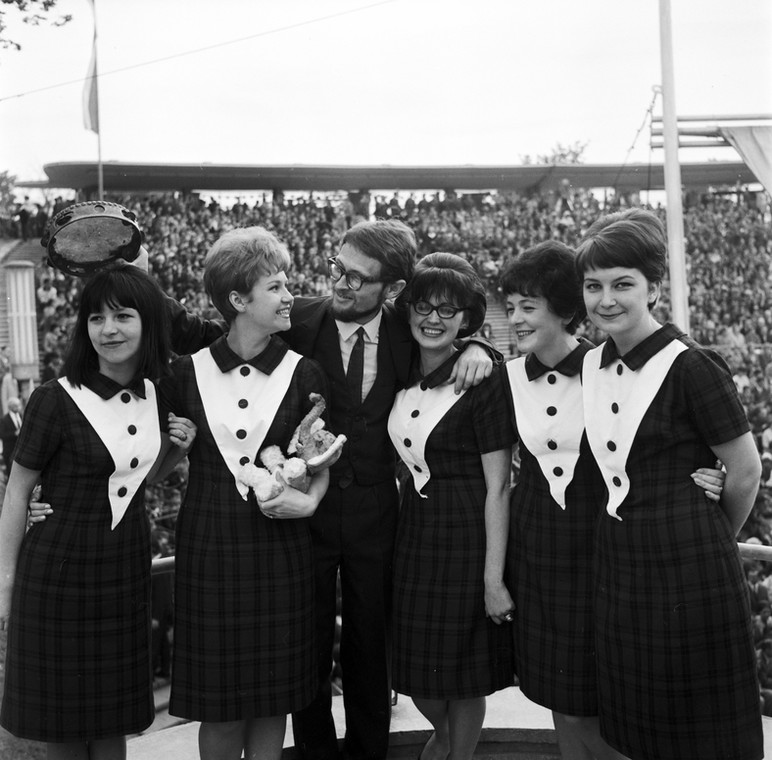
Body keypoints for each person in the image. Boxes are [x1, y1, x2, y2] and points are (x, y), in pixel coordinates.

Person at [500, 241, 724, 760]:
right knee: (563, 697)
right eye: (509, 307)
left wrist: (709, 488)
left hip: (609, 551)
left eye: (527, 306)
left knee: (612, 703)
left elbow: (674, 435)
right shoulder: (511, 373)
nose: (514, 318)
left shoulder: (622, 365)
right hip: (542, 554)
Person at [283, 221, 495, 760]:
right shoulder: (300, 318)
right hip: (305, 508)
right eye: (338, 268)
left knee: (370, 644)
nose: (342, 284)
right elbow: (213, 327)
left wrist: (478, 345)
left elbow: (450, 319)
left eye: (359, 277)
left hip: (378, 512)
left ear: (393, 290)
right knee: (305, 643)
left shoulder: (407, 327)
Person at [577, 208, 763, 760]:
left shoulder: (694, 366)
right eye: (593, 286)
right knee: (641, 727)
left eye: (622, 285)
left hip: (689, 566)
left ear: (653, 288)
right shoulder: (592, 363)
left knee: (700, 733)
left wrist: (709, 531)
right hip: (623, 563)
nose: (605, 299)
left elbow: (746, 469)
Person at [0, 265, 196, 760]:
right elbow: (19, 489)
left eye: (123, 316)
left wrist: (179, 450)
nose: (108, 329)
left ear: (149, 323)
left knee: (114, 724)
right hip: (58, 572)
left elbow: (145, 479)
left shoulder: (160, 392)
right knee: (64, 729)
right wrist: (6, 581)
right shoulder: (53, 397)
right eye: (96, 318)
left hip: (124, 569)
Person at [159, 226, 331, 760]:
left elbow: (323, 456)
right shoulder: (184, 374)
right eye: (276, 287)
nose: (289, 297)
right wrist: (175, 449)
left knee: (271, 702)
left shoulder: (305, 373)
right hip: (209, 547)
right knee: (221, 710)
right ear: (238, 300)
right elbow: (156, 468)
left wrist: (314, 494)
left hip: (282, 551)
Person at [386, 252, 515, 760]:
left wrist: (492, 578)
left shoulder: (483, 381)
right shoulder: (399, 369)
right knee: (417, 674)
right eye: (423, 306)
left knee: (463, 675)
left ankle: (453, 755)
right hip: (413, 534)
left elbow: (498, 486)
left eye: (448, 310)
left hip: (469, 534)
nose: (433, 319)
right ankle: (446, 744)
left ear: (467, 319)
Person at [0, 396, 23, 475]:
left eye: (18, 405)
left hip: (20, 450)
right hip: (10, 451)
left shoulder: (20, 416)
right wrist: (14, 433)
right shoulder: (4, 419)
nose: (18, 408)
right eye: (16, 406)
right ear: (10, 407)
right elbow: (2, 435)